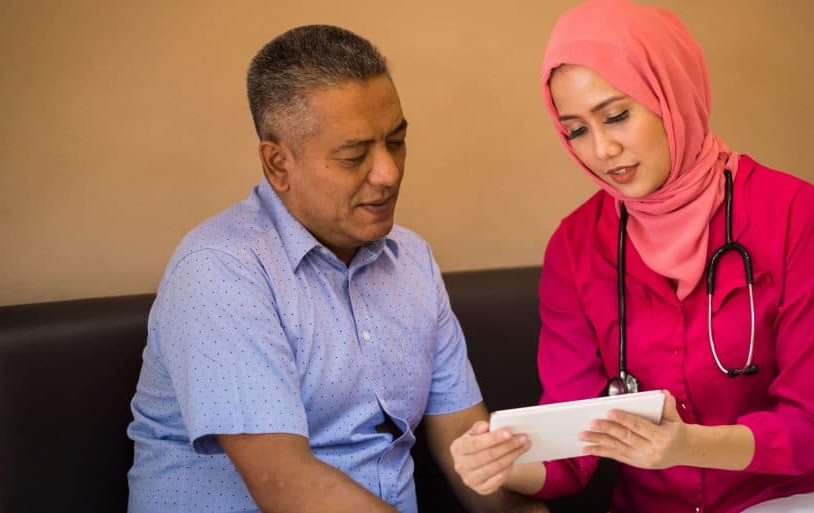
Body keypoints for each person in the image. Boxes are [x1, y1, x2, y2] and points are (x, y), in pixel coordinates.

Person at [449, 1, 814, 512]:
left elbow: (807, 428)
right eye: (576, 130)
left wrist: (688, 446)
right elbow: (570, 456)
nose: (601, 150)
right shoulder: (574, 248)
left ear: (671, 92)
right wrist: (501, 465)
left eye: (616, 116)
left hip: (794, 496)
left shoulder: (794, 215)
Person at [127, 25, 545, 513]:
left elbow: (468, 446)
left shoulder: (411, 259)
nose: (388, 172)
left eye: (397, 140)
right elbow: (287, 486)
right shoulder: (221, 272)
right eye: (354, 155)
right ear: (278, 164)